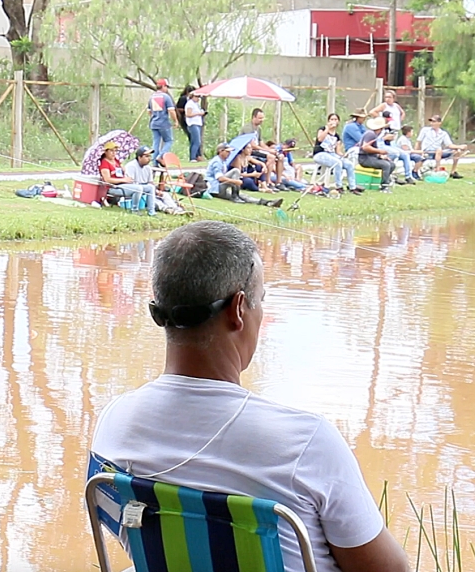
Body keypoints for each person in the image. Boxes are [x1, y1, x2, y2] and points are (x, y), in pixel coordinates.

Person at [90, 221, 409, 572]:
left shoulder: (115, 424)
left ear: (158, 310)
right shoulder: (305, 443)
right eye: (262, 301)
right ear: (238, 309)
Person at [204, 143, 281, 207]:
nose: (229, 154)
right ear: (221, 151)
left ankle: (267, 202)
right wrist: (235, 181)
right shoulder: (217, 162)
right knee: (236, 171)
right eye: (227, 152)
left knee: (244, 196)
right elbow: (220, 178)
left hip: (219, 187)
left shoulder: (222, 161)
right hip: (215, 188)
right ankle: (235, 195)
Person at [314, 113, 361, 195]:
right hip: (320, 153)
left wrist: (343, 155)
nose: (333, 121)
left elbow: (337, 151)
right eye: (331, 119)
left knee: (349, 164)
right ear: (328, 121)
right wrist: (327, 129)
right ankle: (338, 186)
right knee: (337, 163)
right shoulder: (322, 129)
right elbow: (320, 139)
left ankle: (352, 187)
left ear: (338, 122)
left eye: (335, 119)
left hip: (332, 154)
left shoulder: (337, 136)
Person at [240, 108, 280, 184]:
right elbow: (252, 145)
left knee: (279, 156)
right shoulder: (248, 128)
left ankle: (279, 181)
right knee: (271, 157)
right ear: (253, 117)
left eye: (262, 118)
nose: (261, 120)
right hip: (249, 151)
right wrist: (268, 151)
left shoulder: (259, 129)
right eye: (260, 118)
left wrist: (270, 150)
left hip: (257, 150)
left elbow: (261, 143)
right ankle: (267, 181)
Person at [359, 117, 396, 193]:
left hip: (372, 156)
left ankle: (385, 181)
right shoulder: (370, 134)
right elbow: (365, 147)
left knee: (392, 164)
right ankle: (384, 186)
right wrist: (380, 151)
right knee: (386, 165)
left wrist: (380, 156)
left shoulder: (373, 135)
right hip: (365, 158)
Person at [148, 79, 178, 166]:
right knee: (169, 141)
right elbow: (171, 111)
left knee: (156, 143)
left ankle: (154, 162)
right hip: (164, 123)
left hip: (154, 123)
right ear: (163, 86)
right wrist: (175, 121)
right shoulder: (166, 97)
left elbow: (149, 111)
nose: (167, 89)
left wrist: (154, 117)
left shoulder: (151, 97)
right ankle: (160, 156)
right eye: (166, 87)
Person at [126, 146, 158, 216]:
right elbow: (130, 182)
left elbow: (150, 182)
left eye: (149, 156)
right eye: (146, 156)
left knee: (159, 192)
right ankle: (134, 209)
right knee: (139, 188)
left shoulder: (148, 168)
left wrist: (157, 191)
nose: (149, 159)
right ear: (139, 157)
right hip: (132, 187)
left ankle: (152, 211)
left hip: (144, 187)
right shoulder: (131, 166)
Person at [184, 91, 206, 162]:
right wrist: (198, 113)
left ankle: (196, 156)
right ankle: (192, 157)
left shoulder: (196, 104)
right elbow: (188, 114)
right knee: (197, 141)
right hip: (193, 124)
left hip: (198, 123)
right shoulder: (190, 104)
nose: (198, 98)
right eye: (196, 97)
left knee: (195, 141)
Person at [175, 84, 194, 152]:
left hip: (191, 119)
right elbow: (177, 108)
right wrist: (185, 110)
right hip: (184, 119)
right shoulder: (183, 98)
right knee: (191, 136)